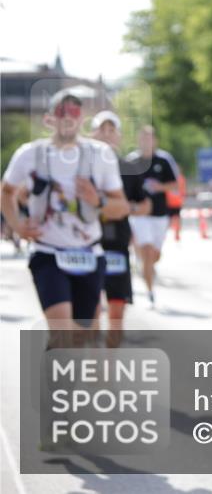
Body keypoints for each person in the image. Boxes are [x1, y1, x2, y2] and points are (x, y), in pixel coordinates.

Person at [0, 89, 128, 347]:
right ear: (49, 119)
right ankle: (58, 383)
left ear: (82, 119)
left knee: (81, 337)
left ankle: (58, 376)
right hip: (48, 254)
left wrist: (98, 200)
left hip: (89, 254)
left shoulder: (100, 154)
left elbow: (121, 206)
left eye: (75, 111)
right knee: (63, 334)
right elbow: (7, 192)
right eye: (62, 111)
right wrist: (17, 226)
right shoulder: (30, 153)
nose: (68, 117)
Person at [89, 110, 152, 347]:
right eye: (101, 129)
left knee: (116, 310)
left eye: (111, 129)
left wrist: (124, 209)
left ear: (119, 136)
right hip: (87, 246)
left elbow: (145, 205)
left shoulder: (129, 168)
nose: (106, 134)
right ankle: (93, 366)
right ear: (92, 133)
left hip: (117, 245)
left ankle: (109, 366)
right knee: (91, 310)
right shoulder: (80, 166)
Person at [125, 126, 178, 308]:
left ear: (155, 141)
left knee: (155, 255)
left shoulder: (163, 161)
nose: (146, 141)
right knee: (147, 251)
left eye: (150, 138)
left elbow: (174, 184)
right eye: (143, 138)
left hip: (160, 215)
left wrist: (159, 187)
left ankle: (144, 266)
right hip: (140, 215)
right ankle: (150, 292)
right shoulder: (132, 161)